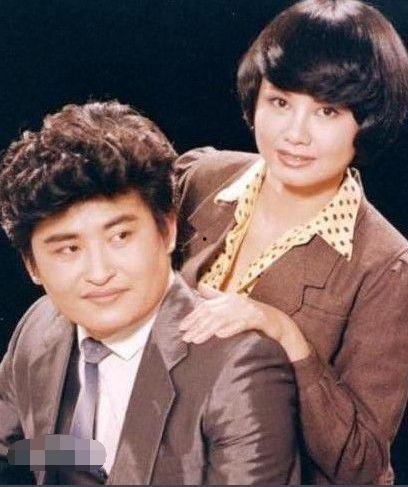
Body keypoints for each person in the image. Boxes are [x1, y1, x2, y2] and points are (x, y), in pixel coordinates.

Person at [0, 101, 299, 485]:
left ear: (168, 230)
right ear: (32, 266)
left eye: (121, 236)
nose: (99, 273)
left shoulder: (239, 367)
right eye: (69, 249)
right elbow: (13, 451)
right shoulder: (39, 326)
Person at [175, 0, 408, 484]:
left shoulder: (387, 264)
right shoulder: (200, 177)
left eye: (327, 111)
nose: (295, 134)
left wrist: (284, 333)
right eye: (280, 102)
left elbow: (362, 463)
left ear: (366, 123)